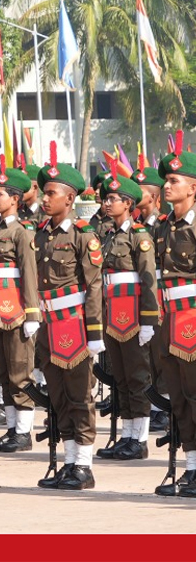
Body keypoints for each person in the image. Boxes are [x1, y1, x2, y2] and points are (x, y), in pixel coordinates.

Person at [34, 143, 103, 490]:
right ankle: (69, 461)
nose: (45, 199)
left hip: (74, 325)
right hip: (48, 326)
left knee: (79, 396)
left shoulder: (83, 236)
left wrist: (94, 334)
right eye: (44, 193)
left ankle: (84, 466)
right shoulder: (42, 234)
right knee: (58, 397)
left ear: (69, 198)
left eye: (51, 193)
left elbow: (93, 287)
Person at [93, 168, 157, 461]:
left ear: (129, 205)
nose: (108, 203)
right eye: (107, 198)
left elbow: (148, 280)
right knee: (119, 377)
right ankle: (127, 435)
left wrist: (148, 320)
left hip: (131, 315)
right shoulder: (107, 235)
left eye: (115, 199)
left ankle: (140, 438)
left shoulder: (139, 236)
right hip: (111, 313)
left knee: (137, 376)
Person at [0, 157, 41, 453]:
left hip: (18, 310)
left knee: (21, 370)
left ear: (15, 199)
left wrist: (32, 312)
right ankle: (11, 429)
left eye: (0, 194)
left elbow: (29, 273)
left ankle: (24, 431)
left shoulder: (22, 233)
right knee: (3, 373)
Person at [152, 137, 196, 497]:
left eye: (174, 181)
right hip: (171, 320)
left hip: (194, 320)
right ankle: (191, 468)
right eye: (166, 180)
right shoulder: (163, 226)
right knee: (179, 398)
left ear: (193, 187)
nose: (167, 185)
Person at [134, 159, 171, 431]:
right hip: (142, 294)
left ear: (154, 196)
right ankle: (155, 404)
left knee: (161, 352)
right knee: (146, 353)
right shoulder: (136, 227)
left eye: (139, 190)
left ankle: (165, 407)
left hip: (161, 295)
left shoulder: (161, 224)